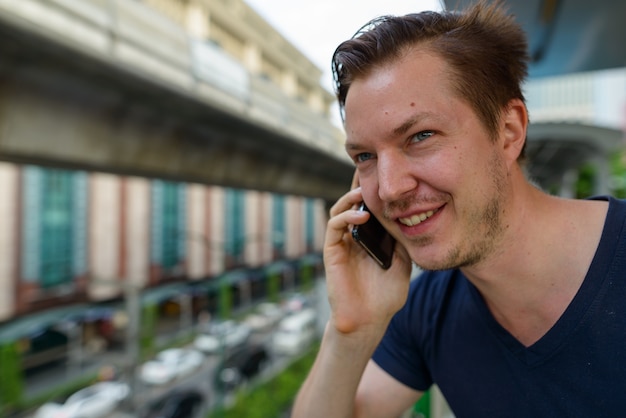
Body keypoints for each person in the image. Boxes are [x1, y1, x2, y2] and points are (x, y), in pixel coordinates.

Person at [291, 1, 626, 417]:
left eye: (420, 136)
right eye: (365, 157)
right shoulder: (427, 309)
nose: (390, 188)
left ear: (509, 131)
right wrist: (352, 330)